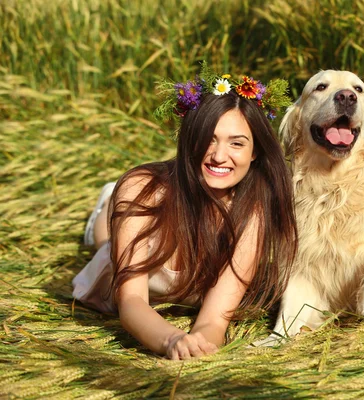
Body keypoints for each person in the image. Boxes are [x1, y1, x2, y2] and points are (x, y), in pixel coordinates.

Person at [72, 69, 297, 360]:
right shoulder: (141, 190)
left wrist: (198, 345)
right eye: (209, 139)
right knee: (103, 243)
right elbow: (132, 300)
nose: (219, 155)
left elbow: (214, 319)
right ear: (190, 139)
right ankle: (108, 201)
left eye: (237, 143)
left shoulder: (252, 211)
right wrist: (171, 340)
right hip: (141, 213)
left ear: (255, 152)